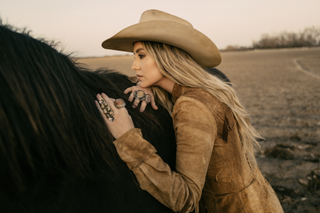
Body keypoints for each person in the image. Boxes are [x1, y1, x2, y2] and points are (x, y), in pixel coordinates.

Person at [96, 9, 284, 213]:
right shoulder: (204, 91)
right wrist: (150, 88)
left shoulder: (191, 106)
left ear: (165, 56)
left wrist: (127, 138)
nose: (134, 66)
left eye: (141, 56)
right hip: (262, 202)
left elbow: (185, 200)